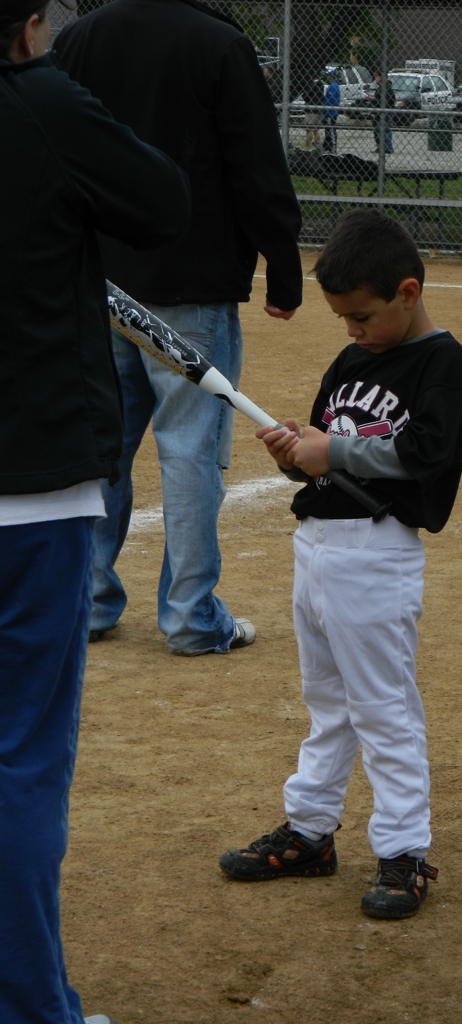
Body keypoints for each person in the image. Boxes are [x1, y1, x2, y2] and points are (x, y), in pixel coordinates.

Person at [0, 0, 190, 1021]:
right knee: (22, 761)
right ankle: (30, 1007)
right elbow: (162, 201)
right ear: (31, 22)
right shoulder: (39, 100)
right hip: (30, 492)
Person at [218, 210, 462, 920]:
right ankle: (310, 831)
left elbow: (426, 456)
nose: (353, 331)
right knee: (326, 704)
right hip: (317, 548)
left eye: (362, 316)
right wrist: (298, 453)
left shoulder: (440, 362)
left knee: (384, 709)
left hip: (376, 554)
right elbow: (327, 455)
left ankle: (404, 851)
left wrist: (332, 450)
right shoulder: (351, 361)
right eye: (343, 320)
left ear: (408, 293)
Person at [54, 0, 303, 656]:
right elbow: (255, 163)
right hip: (190, 282)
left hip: (97, 279)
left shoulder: (79, 38)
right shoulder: (217, 42)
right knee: (190, 448)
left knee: (101, 446)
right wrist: (282, 264)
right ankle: (191, 616)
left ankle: (88, 602)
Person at [371, 70, 395, 154]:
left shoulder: (386, 88)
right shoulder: (380, 88)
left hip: (386, 112)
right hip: (379, 111)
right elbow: (378, 99)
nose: (375, 78)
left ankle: (388, 148)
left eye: (376, 77)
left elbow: (385, 100)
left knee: (385, 129)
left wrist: (374, 99)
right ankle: (381, 147)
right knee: (377, 129)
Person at [304, 69, 324, 150]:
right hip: (318, 109)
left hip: (310, 109)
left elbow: (305, 95)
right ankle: (317, 147)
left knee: (309, 129)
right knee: (315, 130)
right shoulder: (321, 84)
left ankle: (306, 148)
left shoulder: (311, 85)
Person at [323, 67, 340, 152]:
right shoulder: (332, 85)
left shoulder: (333, 86)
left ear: (332, 76)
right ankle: (327, 147)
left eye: (329, 75)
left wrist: (325, 108)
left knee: (331, 130)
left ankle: (333, 148)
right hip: (329, 112)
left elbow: (331, 99)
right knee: (328, 131)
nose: (328, 77)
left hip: (331, 112)